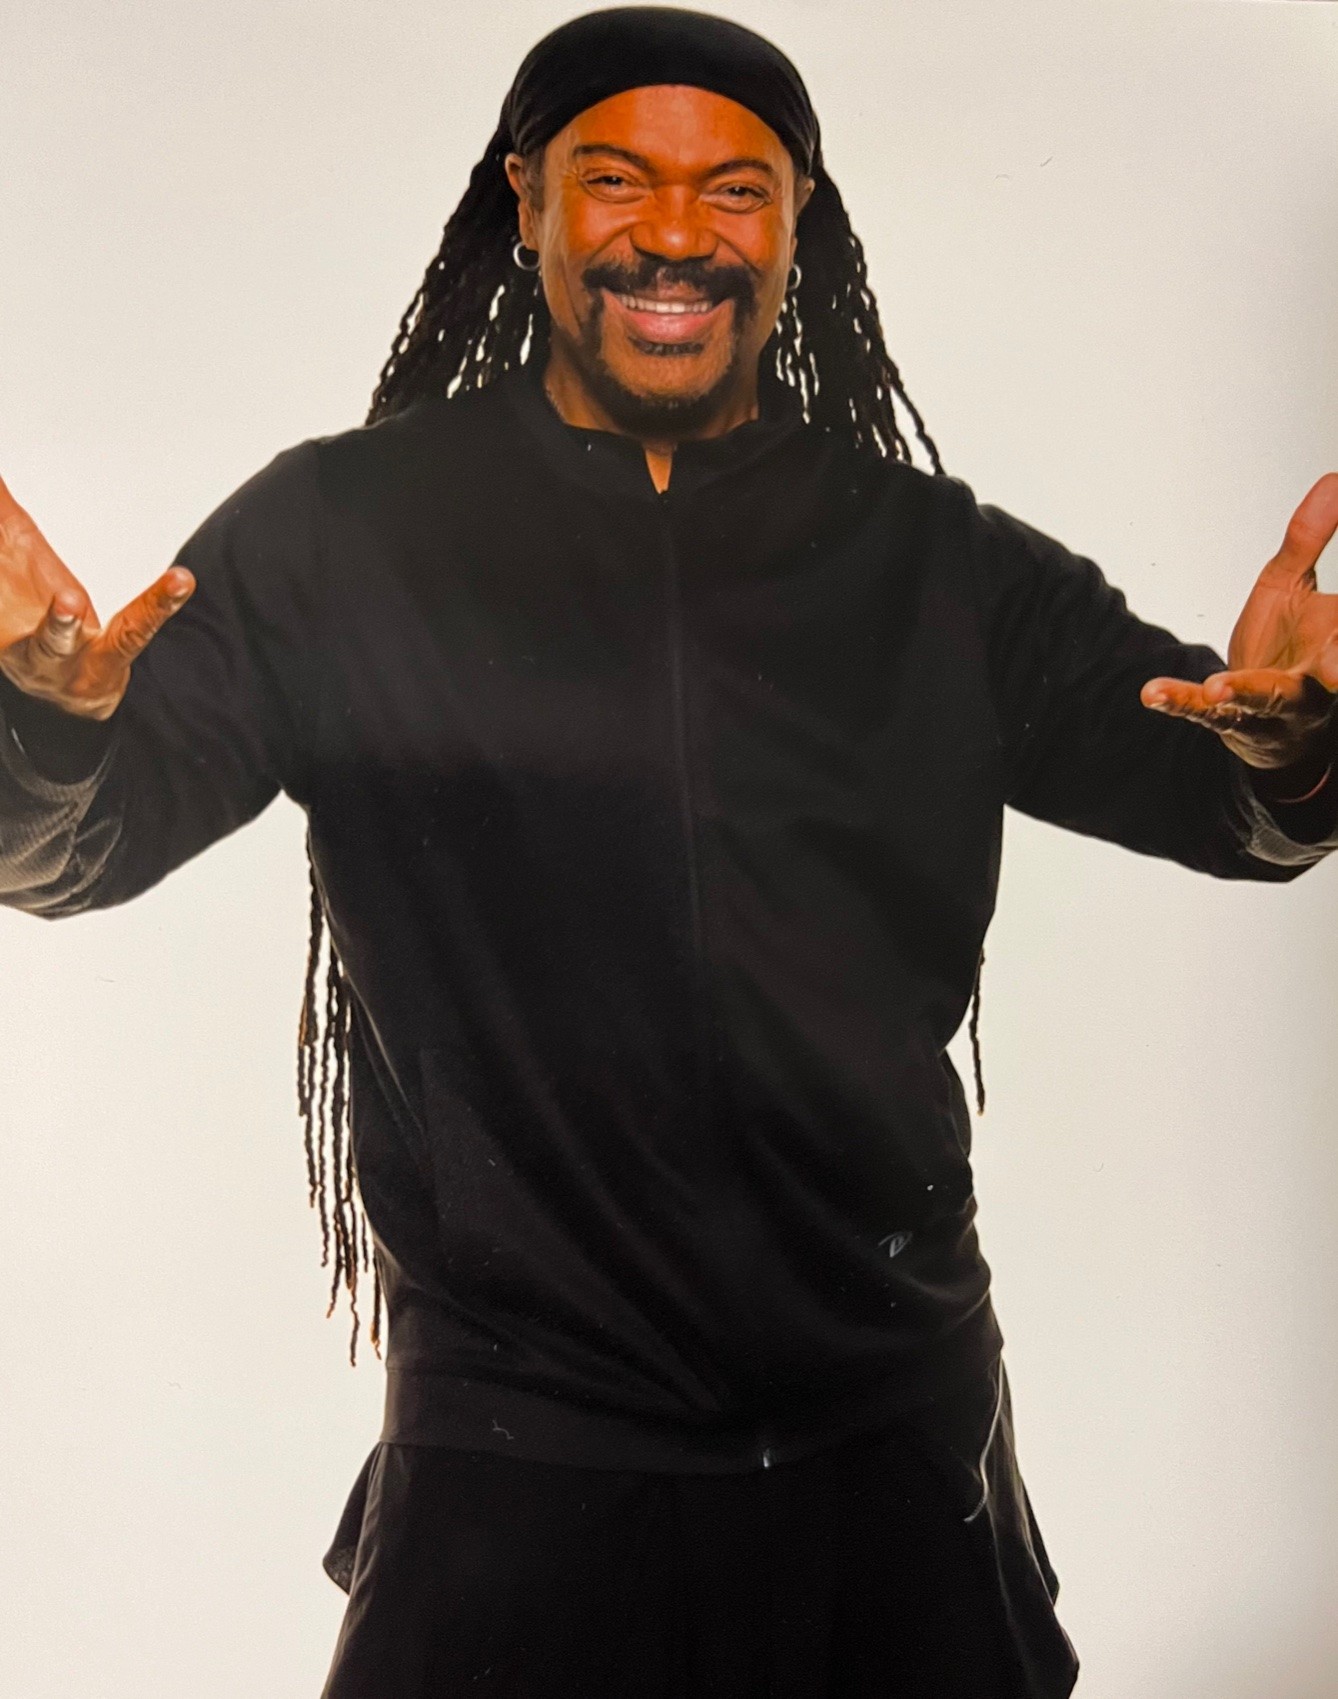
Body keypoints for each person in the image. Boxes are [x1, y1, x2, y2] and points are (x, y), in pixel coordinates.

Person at [1, 7, 1335, 1696]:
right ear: (528, 201)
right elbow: (72, 850)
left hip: (894, 1456)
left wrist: (1296, 749)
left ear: (795, 221)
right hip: (514, 1463)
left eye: (736, 189)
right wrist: (42, 726)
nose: (675, 236)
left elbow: (1223, 788)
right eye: (614, 178)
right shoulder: (340, 538)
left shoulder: (931, 564)